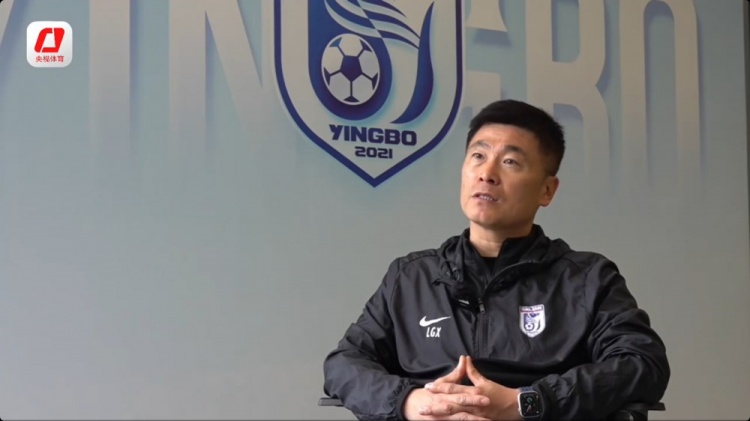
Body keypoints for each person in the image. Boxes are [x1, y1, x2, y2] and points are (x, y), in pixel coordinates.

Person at [322, 99, 670, 420]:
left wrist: (527, 403)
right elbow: (344, 364)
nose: (486, 173)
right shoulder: (411, 277)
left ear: (547, 190)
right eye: (478, 155)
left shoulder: (587, 279)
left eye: (510, 162)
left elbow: (642, 364)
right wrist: (410, 402)